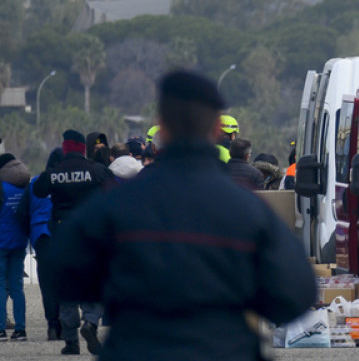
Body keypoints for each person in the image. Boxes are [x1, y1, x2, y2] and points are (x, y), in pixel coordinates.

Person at [47, 70, 315, 360]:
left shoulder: (117, 205)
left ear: (162, 127)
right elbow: (297, 293)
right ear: (215, 129)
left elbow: (59, 273)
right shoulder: (248, 211)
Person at [32, 130, 113, 355]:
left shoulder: (54, 173)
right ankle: (90, 321)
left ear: (65, 148)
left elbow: (38, 190)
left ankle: (71, 341)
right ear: (82, 148)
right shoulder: (96, 171)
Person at [17, 149, 61, 341]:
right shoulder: (67, 183)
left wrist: (30, 234)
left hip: (41, 237)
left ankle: (52, 324)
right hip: (64, 234)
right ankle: (67, 325)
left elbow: (22, 213)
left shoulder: (35, 183)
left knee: (47, 283)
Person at [0, 153, 30, 341]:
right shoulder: (25, 186)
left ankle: (1, 329)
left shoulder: (1, 186)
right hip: (20, 242)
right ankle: (21, 330)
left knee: (1, 285)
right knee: (18, 287)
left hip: (1, 242)